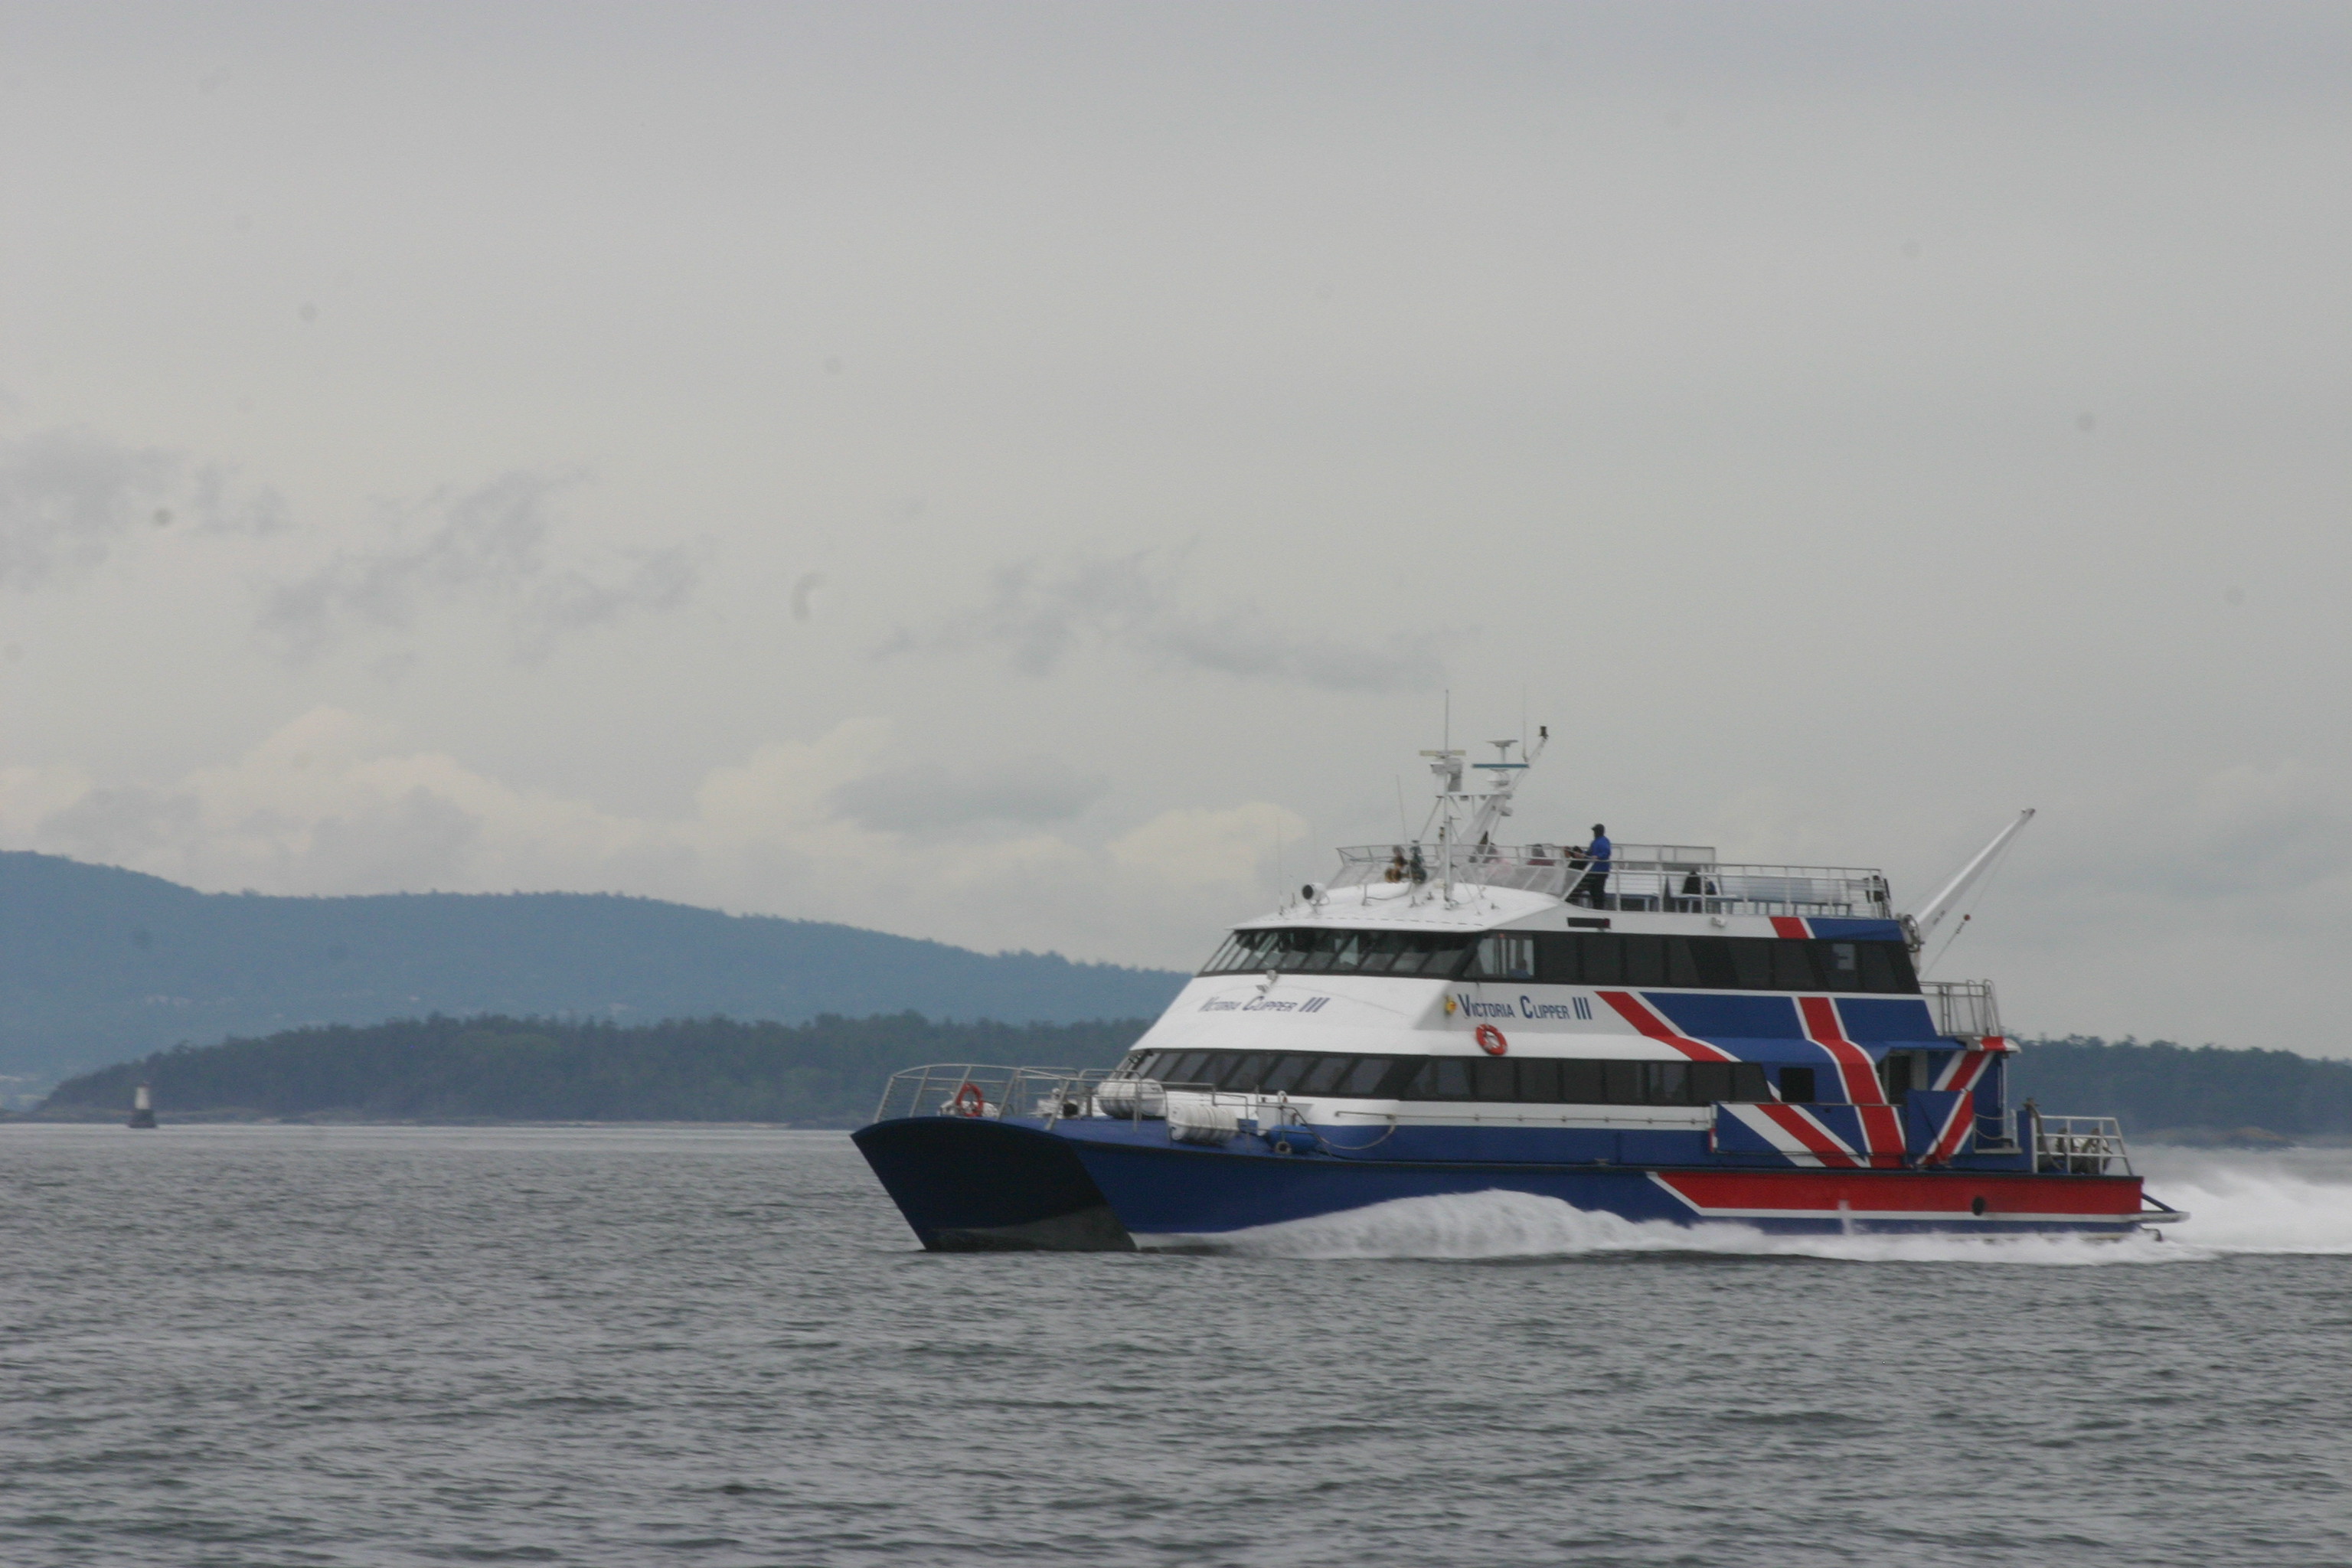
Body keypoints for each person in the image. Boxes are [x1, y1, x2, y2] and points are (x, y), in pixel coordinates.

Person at [1570, 823, 1612, 908]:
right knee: (1593, 890)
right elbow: (1590, 852)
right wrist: (1582, 854)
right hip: (1593, 870)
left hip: (1601, 871)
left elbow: (1607, 853)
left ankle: (1599, 909)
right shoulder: (1594, 842)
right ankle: (1573, 902)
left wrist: (1598, 856)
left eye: (1595, 831)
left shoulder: (1604, 841)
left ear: (1600, 831)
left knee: (1598, 891)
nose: (1594, 833)